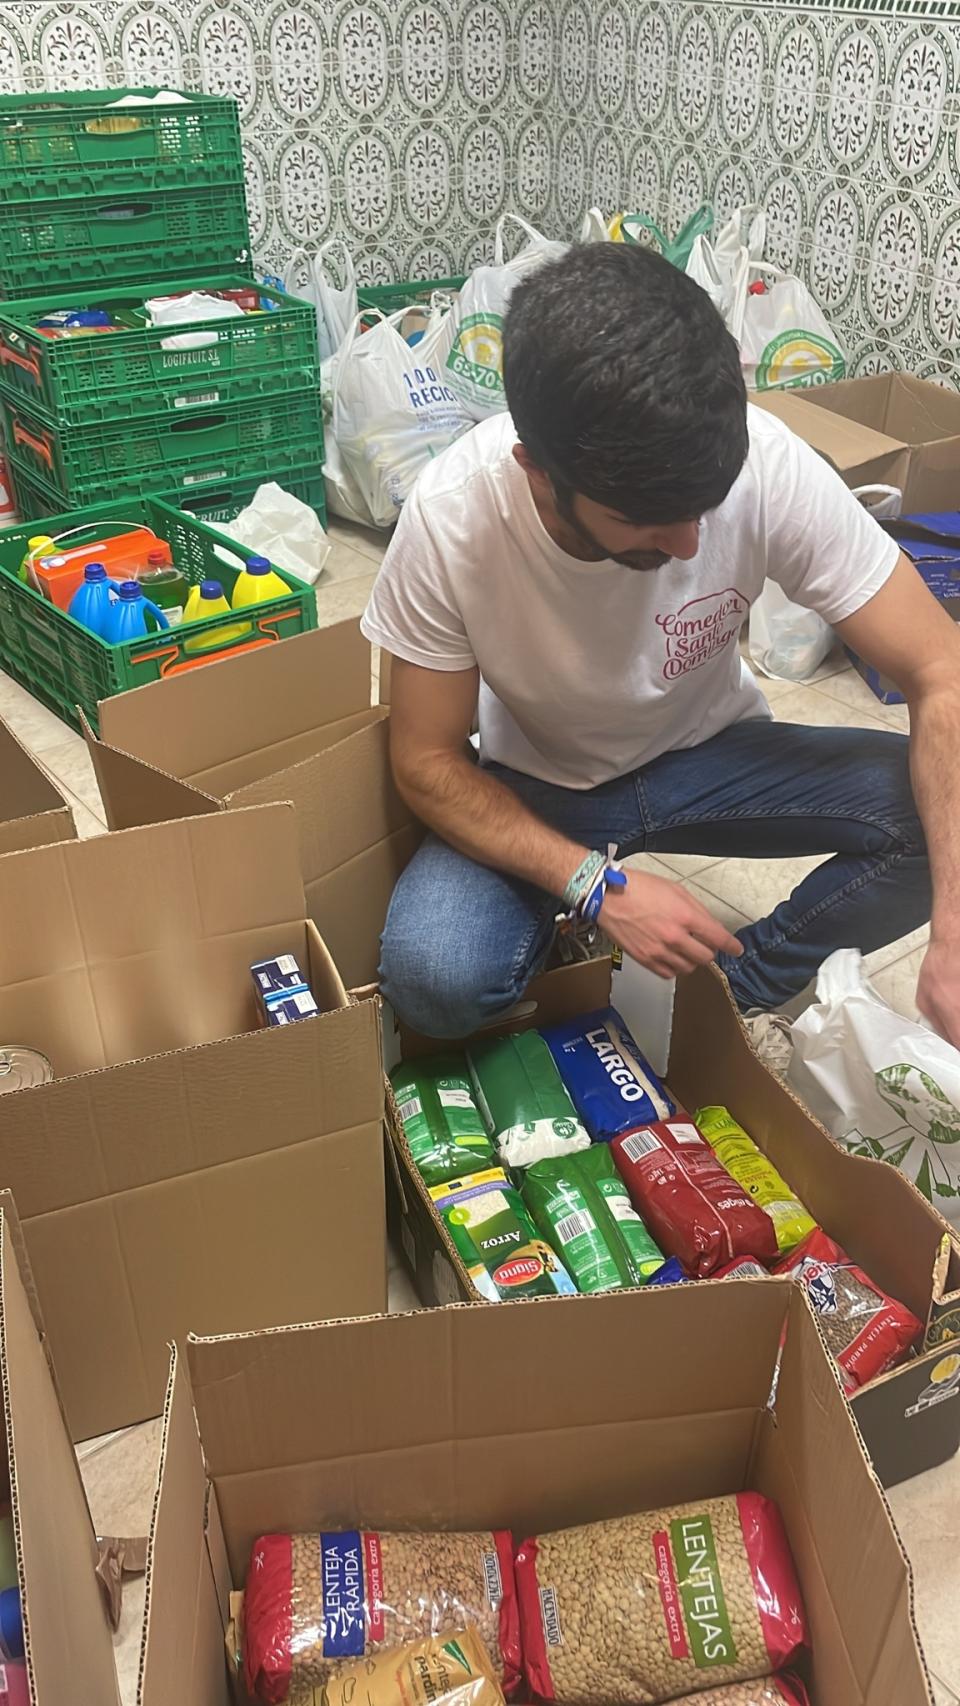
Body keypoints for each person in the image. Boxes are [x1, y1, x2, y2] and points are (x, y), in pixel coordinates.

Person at [361, 242, 960, 1046]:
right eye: (645, 519)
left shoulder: (764, 461)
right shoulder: (451, 520)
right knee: (436, 979)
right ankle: (570, 926)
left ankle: (729, 994)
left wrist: (954, 931)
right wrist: (595, 887)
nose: (685, 546)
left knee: (940, 822)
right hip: (540, 780)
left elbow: (940, 669)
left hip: (709, 758)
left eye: (702, 509)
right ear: (538, 470)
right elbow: (425, 760)